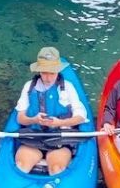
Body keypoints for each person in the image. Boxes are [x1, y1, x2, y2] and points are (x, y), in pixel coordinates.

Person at [14, 47, 87, 175]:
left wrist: (59, 123)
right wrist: (34, 119)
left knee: (56, 168)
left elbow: (81, 117)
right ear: (39, 71)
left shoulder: (68, 88)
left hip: (60, 139)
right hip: (34, 137)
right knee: (20, 166)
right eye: (44, 72)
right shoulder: (29, 86)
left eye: (52, 73)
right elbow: (20, 117)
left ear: (58, 71)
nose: (48, 77)